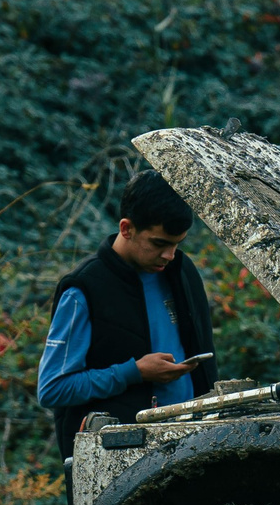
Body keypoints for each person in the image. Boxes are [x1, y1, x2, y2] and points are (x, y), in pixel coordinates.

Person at [39, 170, 217, 458]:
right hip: (118, 462)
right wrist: (133, 372)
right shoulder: (84, 288)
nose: (169, 255)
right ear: (126, 228)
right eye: (159, 243)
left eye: (177, 244)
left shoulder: (183, 272)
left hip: (190, 449)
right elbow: (53, 389)